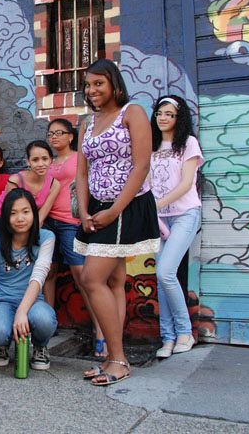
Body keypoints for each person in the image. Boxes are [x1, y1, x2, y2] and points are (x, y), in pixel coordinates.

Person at [75, 59, 160, 386]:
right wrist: (84, 211)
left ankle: (118, 359)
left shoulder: (133, 113)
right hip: (96, 208)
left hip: (126, 207)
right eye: (88, 84)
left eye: (99, 83)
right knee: (112, 281)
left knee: (91, 278)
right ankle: (113, 357)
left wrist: (113, 211)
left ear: (114, 85)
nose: (92, 90)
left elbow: (141, 166)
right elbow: (82, 173)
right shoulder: (87, 123)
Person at [0, 189, 57, 370]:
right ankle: (2, 345)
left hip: (34, 302)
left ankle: (40, 346)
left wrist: (22, 311)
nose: (20, 218)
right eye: (13, 213)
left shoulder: (46, 238)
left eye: (25, 211)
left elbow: (39, 276)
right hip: (4, 302)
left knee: (44, 320)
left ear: (34, 212)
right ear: (6, 217)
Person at [44, 118, 104, 356]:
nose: (54, 137)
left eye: (60, 133)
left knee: (83, 277)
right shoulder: (46, 161)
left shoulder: (80, 157)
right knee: (48, 273)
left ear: (71, 136)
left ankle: (100, 329)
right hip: (49, 222)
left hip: (71, 223)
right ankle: (48, 325)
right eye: (51, 134)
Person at [150, 95, 203, 358]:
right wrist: (153, 211)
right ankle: (167, 338)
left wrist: (156, 205)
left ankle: (184, 332)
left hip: (184, 215)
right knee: (162, 279)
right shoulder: (151, 145)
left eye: (169, 114)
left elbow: (185, 185)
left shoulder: (188, 144)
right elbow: (147, 182)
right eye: (160, 112)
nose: (163, 118)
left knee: (165, 272)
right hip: (159, 219)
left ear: (178, 118)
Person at [0, 141, 61, 235]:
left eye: (45, 159)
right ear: (28, 162)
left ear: (51, 160)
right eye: (35, 160)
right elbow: (9, 212)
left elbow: (40, 218)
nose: (40, 164)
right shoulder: (15, 180)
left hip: (24, 221)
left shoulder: (54, 185)